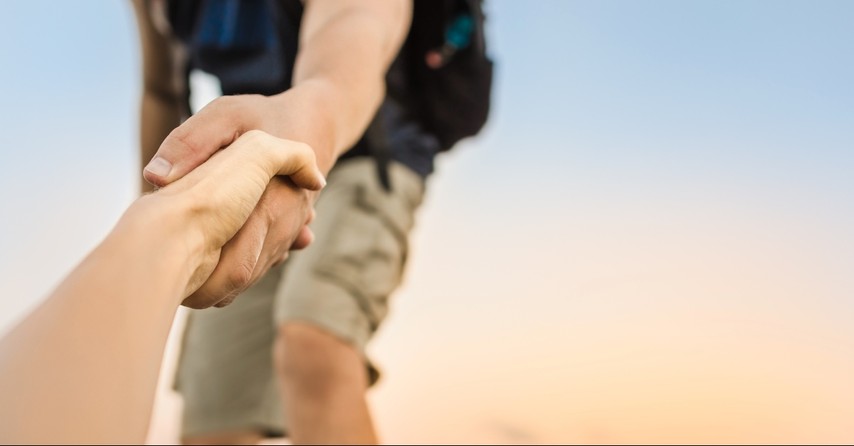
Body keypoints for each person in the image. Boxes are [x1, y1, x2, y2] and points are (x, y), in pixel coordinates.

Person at [133, 0, 491, 443]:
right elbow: (161, 89)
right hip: (253, 168)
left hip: (370, 155)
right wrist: (151, 216)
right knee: (214, 411)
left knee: (314, 342)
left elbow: (355, 28)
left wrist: (300, 138)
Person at [0, 131, 325, 444]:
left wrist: (178, 219)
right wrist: (176, 207)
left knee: (317, 343)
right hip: (236, 183)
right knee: (212, 423)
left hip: (350, 165)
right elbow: (160, 92)